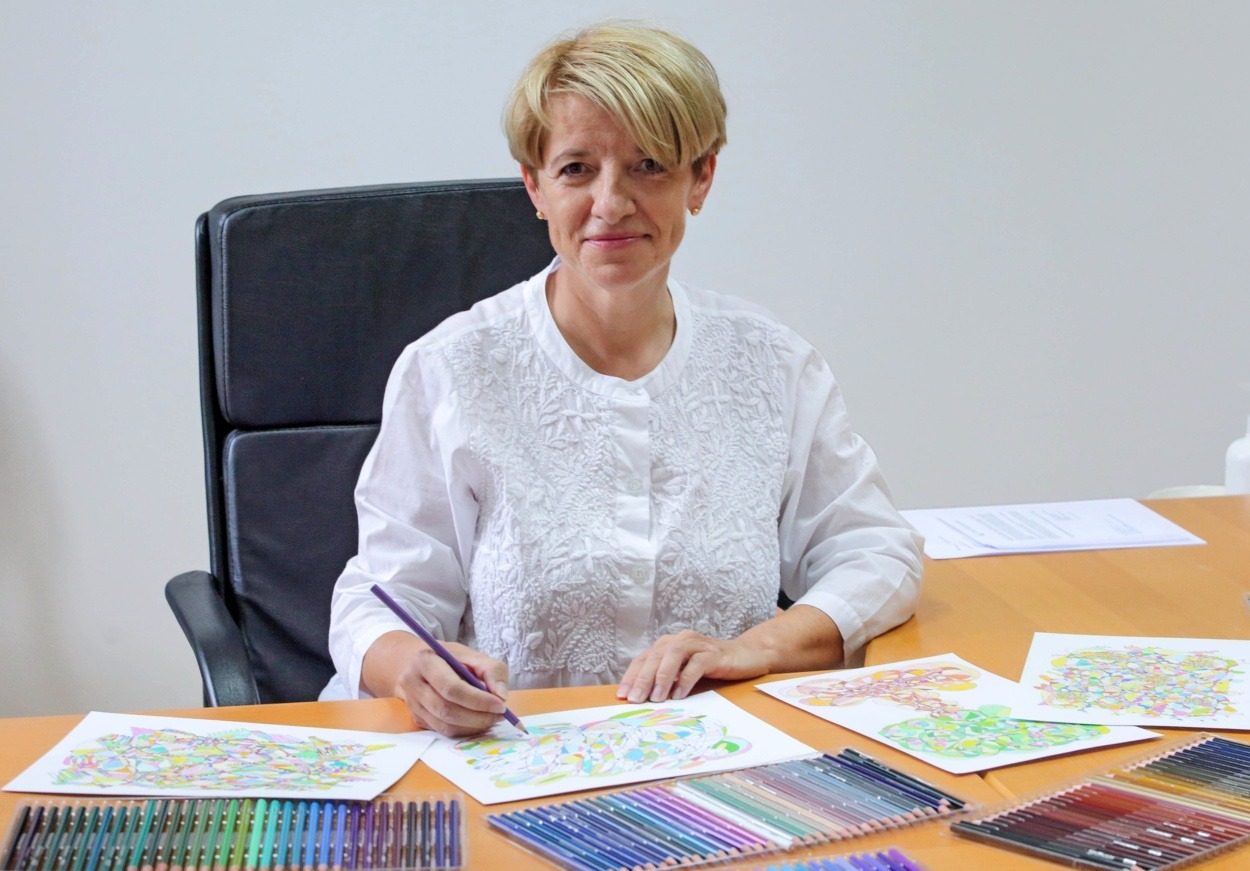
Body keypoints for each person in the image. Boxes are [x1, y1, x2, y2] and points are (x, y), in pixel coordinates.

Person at [321, 21, 923, 736]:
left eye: (649, 166)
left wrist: (756, 648)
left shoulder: (772, 364)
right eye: (577, 169)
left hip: (722, 755)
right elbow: (379, 600)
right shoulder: (452, 368)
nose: (610, 203)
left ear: (701, 178)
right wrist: (411, 669)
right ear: (535, 185)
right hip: (513, 759)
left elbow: (875, 552)